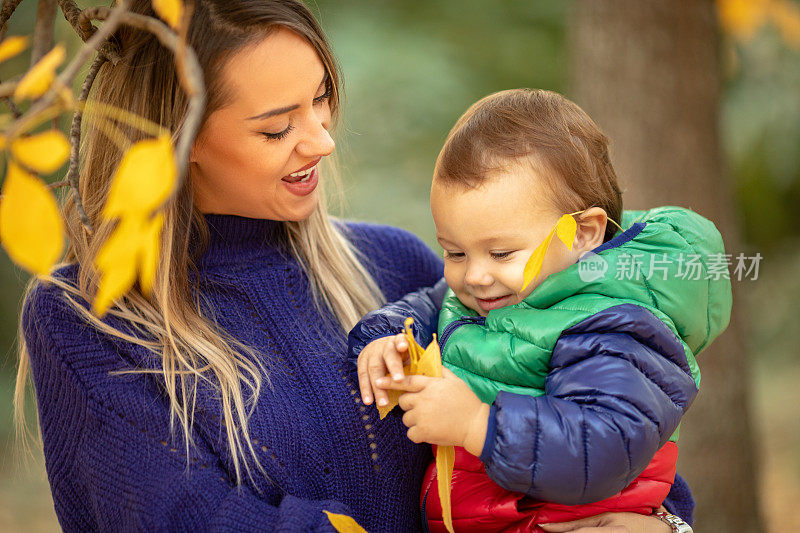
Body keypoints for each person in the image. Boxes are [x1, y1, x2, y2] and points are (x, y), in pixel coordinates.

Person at [13, 1, 691, 531]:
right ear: (175, 139)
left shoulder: (399, 268)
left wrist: (656, 520)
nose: (323, 139)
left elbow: (595, 414)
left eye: (321, 98)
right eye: (277, 127)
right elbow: (183, 518)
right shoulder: (89, 320)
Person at [350, 90, 731, 531]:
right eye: (454, 252)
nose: (474, 276)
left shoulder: (613, 324)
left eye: (501, 252)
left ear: (583, 233)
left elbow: (604, 447)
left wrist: (478, 423)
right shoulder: (492, 292)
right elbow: (430, 304)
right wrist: (387, 338)